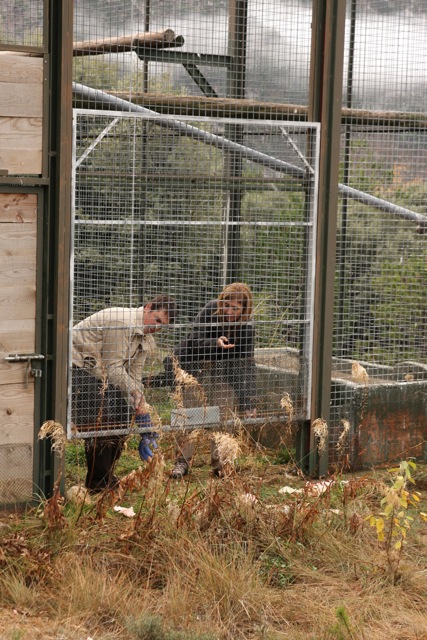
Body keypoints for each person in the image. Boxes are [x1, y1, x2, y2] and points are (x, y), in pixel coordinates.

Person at [145, 283, 257, 478]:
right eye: (227, 306)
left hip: (225, 372)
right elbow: (193, 340)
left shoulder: (246, 327)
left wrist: (248, 401)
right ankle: (182, 462)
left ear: (244, 310)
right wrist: (215, 343)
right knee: (187, 414)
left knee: (223, 415)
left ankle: (222, 464)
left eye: (235, 308)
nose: (229, 311)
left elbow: (246, 364)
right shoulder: (211, 309)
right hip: (193, 367)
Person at [71, 294, 177, 492]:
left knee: (122, 417)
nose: (157, 328)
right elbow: (114, 369)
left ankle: (106, 476)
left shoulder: (145, 339)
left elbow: (134, 377)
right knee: (101, 421)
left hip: (101, 372)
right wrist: (135, 392)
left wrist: (139, 404)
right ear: (148, 307)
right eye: (157, 320)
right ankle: (99, 485)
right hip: (77, 366)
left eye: (162, 326)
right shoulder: (122, 323)